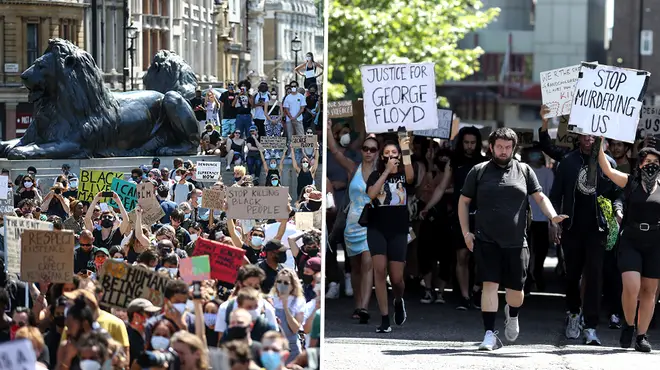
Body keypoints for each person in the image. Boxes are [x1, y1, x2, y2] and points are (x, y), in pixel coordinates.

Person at [459, 127, 567, 351]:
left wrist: (552, 216)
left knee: (516, 294)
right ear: (491, 147)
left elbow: (540, 196)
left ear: (513, 148)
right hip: (486, 239)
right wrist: (466, 233)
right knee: (489, 286)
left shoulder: (525, 170)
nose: (503, 151)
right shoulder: (478, 171)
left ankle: (513, 313)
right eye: (499, 146)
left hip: (516, 242)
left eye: (508, 147)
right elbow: (463, 202)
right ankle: (489, 334)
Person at [550, 133, 620, 344]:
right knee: (572, 275)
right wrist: (553, 222)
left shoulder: (608, 162)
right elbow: (555, 195)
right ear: (579, 137)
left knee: (595, 276)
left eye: (593, 135)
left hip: (597, 230)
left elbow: (617, 193)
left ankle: (591, 326)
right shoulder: (567, 162)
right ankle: (573, 313)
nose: (589, 139)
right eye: (585, 135)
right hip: (572, 228)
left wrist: (617, 210)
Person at [598, 141, 660, 352]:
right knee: (632, 287)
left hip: (655, 242)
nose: (652, 165)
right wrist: (600, 142)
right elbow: (606, 168)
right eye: (647, 161)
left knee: (649, 291)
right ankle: (629, 324)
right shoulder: (630, 182)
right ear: (640, 164)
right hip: (631, 240)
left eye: (655, 162)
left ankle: (641, 336)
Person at [421, 126, 487, 310]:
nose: (469, 146)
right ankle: (465, 296)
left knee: (482, 257)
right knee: (462, 256)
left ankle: (476, 289)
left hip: (481, 215)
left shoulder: (484, 163)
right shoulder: (453, 162)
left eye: (473, 143)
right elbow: (441, 187)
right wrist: (428, 207)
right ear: (461, 143)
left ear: (478, 143)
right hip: (461, 214)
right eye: (466, 142)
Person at [365, 135, 415, 333]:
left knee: (396, 279)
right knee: (379, 269)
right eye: (387, 153)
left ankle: (398, 299)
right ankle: (384, 318)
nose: (391, 156)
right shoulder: (375, 175)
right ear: (382, 157)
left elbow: (412, 177)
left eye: (394, 153)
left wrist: (405, 151)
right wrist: (386, 171)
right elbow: (371, 194)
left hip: (398, 230)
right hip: (377, 227)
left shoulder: (404, 174)